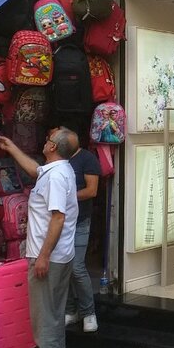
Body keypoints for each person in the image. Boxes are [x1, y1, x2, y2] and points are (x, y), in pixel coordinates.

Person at [0, 127, 79, 348]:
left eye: (48, 139)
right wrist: (11, 148)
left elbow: (58, 218)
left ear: (53, 147)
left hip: (50, 256)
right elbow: (35, 170)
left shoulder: (56, 178)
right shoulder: (56, 170)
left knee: (45, 313)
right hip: (56, 254)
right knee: (51, 310)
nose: (45, 140)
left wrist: (43, 256)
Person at [64, 130, 101, 333]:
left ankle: (89, 312)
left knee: (76, 267)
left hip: (80, 220)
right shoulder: (57, 160)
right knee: (63, 267)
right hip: (59, 222)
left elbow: (92, 190)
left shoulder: (87, 159)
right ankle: (70, 310)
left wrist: (66, 196)